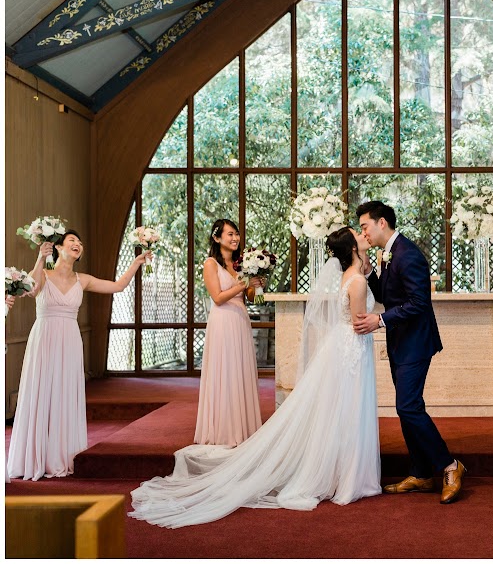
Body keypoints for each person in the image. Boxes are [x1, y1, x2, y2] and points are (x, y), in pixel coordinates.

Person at [130, 227, 381, 527]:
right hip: (351, 347)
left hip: (345, 348)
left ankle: (346, 472)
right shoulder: (356, 281)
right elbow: (358, 323)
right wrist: (383, 322)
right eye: (359, 233)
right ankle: (351, 477)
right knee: (350, 410)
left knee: (344, 411)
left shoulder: (352, 276)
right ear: (352, 247)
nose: (363, 234)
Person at [8, 230, 151, 481]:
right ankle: (36, 455)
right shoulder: (44, 273)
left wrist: (136, 262)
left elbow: (117, 286)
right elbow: (31, 290)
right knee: (42, 391)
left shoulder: (82, 279)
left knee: (63, 392)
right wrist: (40, 259)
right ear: (59, 247)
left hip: (70, 341)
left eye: (80, 242)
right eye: (72, 241)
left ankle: (60, 454)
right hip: (44, 338)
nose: (78, 244)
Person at [354, 201, 465, 504]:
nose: (363, 232)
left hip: (416, 341)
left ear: (381, 223)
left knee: (408, 407)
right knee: (407, 408)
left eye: (365, 225)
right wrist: (369, 273)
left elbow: (419, 303)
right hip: (400, 341)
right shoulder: (389, 254)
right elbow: (389, 295)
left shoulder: (408, 254)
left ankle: (449, 465)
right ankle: (420, 473)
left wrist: (379, 320)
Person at [195, 219, 263, 446]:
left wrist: (256, 284)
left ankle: (242, 428)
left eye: (237, 234)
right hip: (222, 322)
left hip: (240, 320)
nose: (235, 238)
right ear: (217, 238)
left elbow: (253, 298)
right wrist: (242, 285)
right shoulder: (210, 264)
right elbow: (218, 297)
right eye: (230, 234)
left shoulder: (241, 264)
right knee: (225, 372)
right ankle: (224, 431)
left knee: (240, 371)